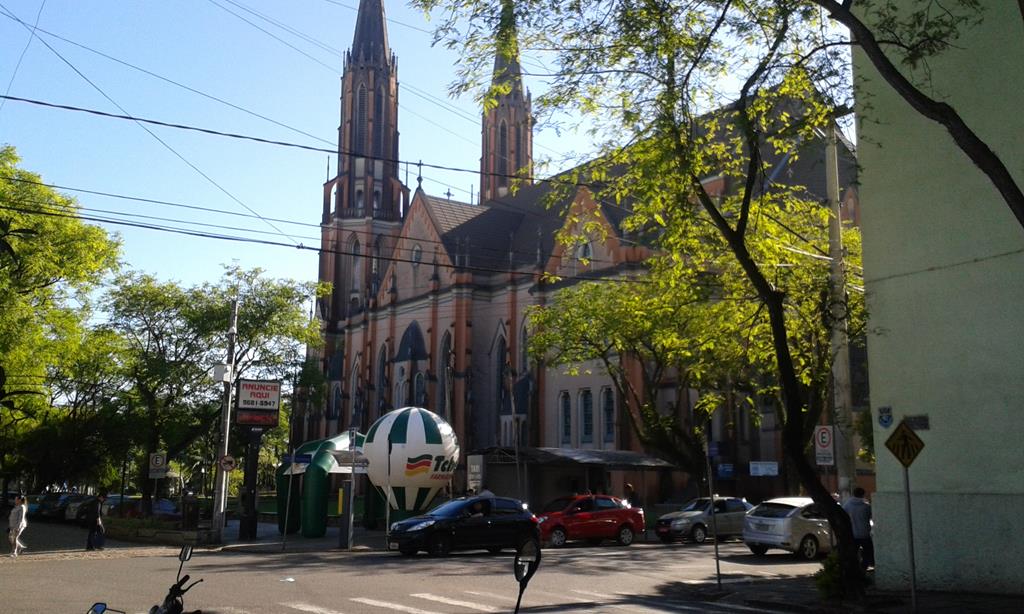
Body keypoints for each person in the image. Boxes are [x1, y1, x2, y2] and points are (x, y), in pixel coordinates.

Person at [842, 487, 874, 570]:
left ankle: (853, 569)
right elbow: (871, 517)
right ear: (862, 495)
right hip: (865, 533)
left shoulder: (847, 505)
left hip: (852, 533)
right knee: (868, 552)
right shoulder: (866, 506)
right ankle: (863, 567)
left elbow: (843, 516)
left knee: (852, 553)